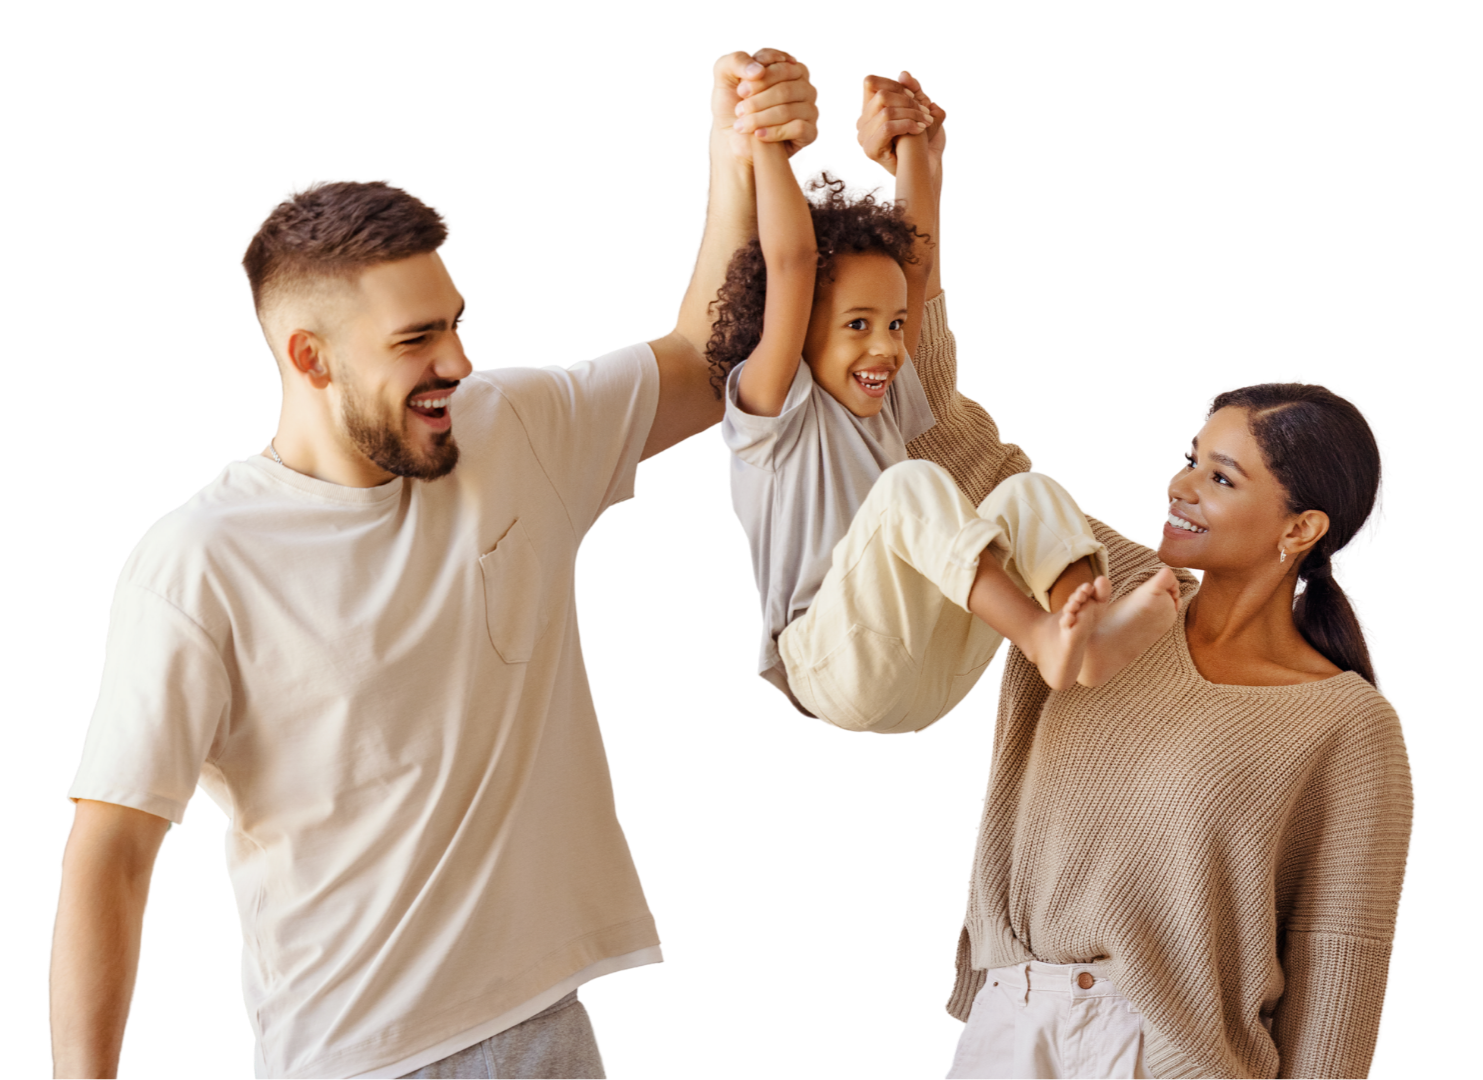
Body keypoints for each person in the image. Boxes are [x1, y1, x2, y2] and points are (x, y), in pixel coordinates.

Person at [49, 49, 822, 1080]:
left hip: (551, 1032)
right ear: (309, 359)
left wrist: (738, 152)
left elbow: (707, 361)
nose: (457, 362)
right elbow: (113, 851)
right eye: (417, 339)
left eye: (456, 324)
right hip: (356, 1060)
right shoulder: (198, 564)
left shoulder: (514, 430)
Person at [851, 74, 1414, 1079]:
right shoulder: (1088, 580)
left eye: (1221, 474)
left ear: (1302, 528)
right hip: (1006, 1030)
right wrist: (915, 175)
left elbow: (1339, 967)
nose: (1180, 483)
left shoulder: (1343, 723)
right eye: (1190, 455)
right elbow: (933, 419)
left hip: (1172, 1058)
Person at [712, 90, 1181, 732]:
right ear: (794, 330)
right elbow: (793, 262)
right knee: (912, 483)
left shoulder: (883, 399)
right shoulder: (772, 412)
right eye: (858, 324)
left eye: (895, 324)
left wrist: (913, 149)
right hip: (830, 663)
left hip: (928, 676)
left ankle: (1085, 636)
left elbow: (916, 259)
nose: (887, 347)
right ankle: (1043, 636)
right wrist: (768, 141)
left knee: (1026, 493)